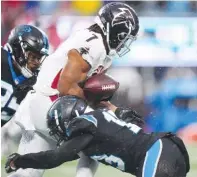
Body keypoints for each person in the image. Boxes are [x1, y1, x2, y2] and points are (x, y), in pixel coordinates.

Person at [7, 2, 140, 177]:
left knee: (28, 173)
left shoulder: (101, 49)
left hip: (42, 104)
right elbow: (66, 88)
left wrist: (115, 111)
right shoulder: (94, 45)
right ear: (114, 30)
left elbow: (86, 94)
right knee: (97, 134)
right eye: (124, 36)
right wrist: (103, 115)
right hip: (49, 102)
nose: (124, 42)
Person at [5, 95, 190, 177]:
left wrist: (20, 160)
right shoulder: (98, 118)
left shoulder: (85, 126)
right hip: (168, 150)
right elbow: (125, 119)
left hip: (155, 153)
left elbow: (54, 158)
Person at [1, 24, 49, 156]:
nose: (37, 62)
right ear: (18, 49)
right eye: (33, 56)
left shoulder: (32, 81)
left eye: (39, 58)